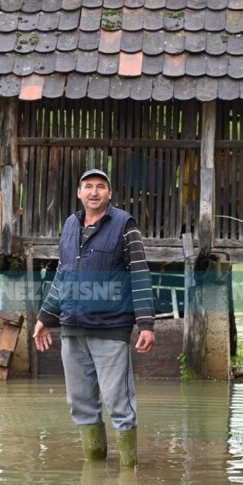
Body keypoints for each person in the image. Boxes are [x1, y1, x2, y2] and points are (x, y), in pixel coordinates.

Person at [33, 168, 156, 469]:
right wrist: (45, 317)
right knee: (81, 404)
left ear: (109, 193)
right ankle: (96, 469)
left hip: (111, 328)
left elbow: (140, 275)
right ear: (79, 193)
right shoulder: (70, 225)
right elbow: (63, 274)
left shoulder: (125, 225)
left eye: (101, 187)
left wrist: (146, 324)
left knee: (119, 404)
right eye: (88, 186)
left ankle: (130, 470)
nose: (94, 192)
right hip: (72, 328)